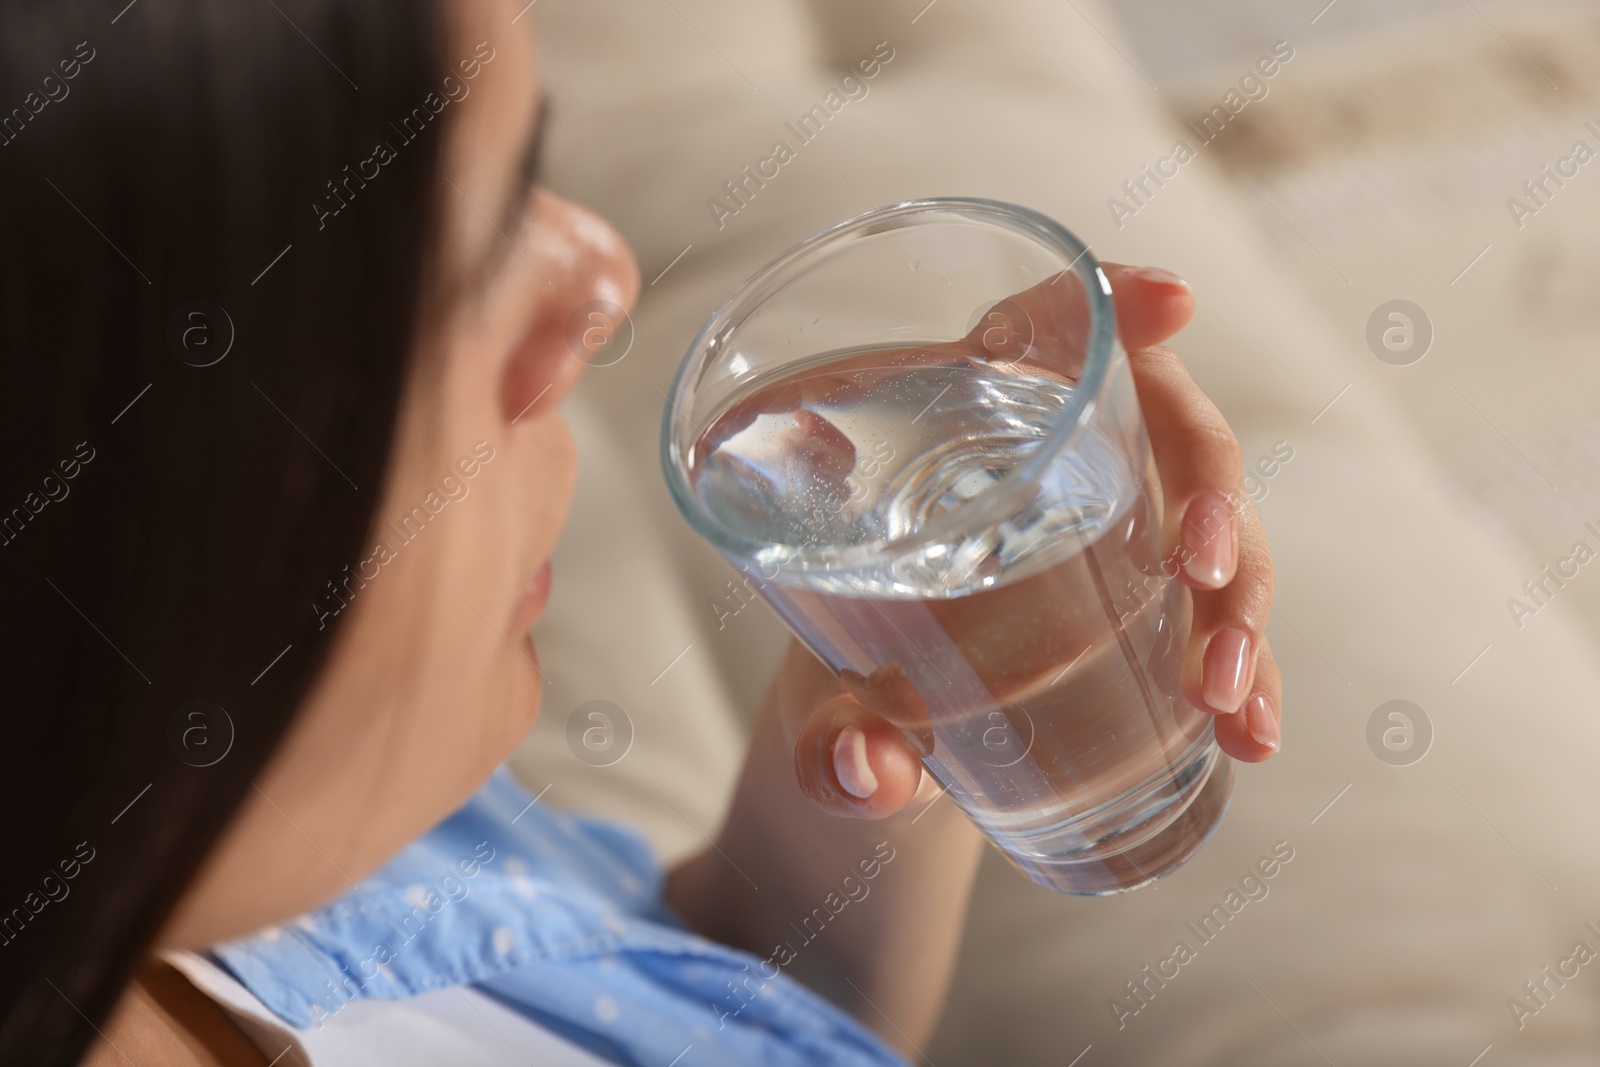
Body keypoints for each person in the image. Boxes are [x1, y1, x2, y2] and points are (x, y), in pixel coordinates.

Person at [0, 0, 1280, 1063]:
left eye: (531, 181)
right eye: (458, 273)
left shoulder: (311, 821)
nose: (603, 280)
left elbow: (670, 1016)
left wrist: (864, 781)